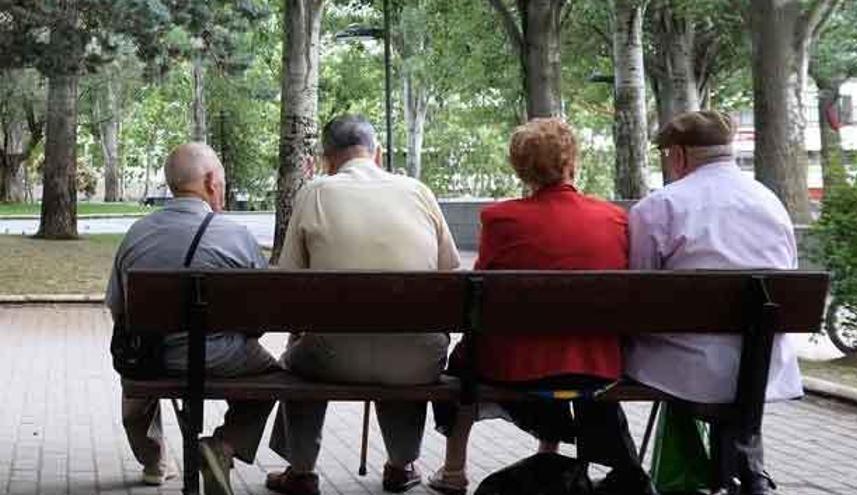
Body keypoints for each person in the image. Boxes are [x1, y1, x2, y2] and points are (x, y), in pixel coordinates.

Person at [429, 118, 655, 495]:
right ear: (572, 162)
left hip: (516, 366)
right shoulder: (614, 218)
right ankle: (550, 456)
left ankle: (454, 471)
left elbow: (481, 291)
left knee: (466, 360)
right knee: (561, 348)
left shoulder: (501, 219)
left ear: (520, 167)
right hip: (597, 367)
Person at [265, 114, 460, 495]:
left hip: (334, 358)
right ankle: (402, 464)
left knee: (294, 358)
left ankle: (301, 470)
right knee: (408, 342)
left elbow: (288, 282)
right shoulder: (418, 191)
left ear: (326, 159)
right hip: (416, 362)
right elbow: (449, 270)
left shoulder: (315, 192)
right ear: (378, 154)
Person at [625, 110, 803, 495]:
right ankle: (745, 468)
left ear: (678, 155)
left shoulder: (658, 207)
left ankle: (648, 473)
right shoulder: (770, 203)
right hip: (762, 367)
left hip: (682, 368)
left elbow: (639, 292)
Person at [106, 143, 278, 495]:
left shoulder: (137, 234)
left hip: (152, 360)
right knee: (276, 376)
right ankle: (224, 445)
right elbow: (259, 320)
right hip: (221, 358)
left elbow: (118, 308)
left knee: (136, 388)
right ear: (212, 181)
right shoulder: (237, 236)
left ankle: (155, 461)